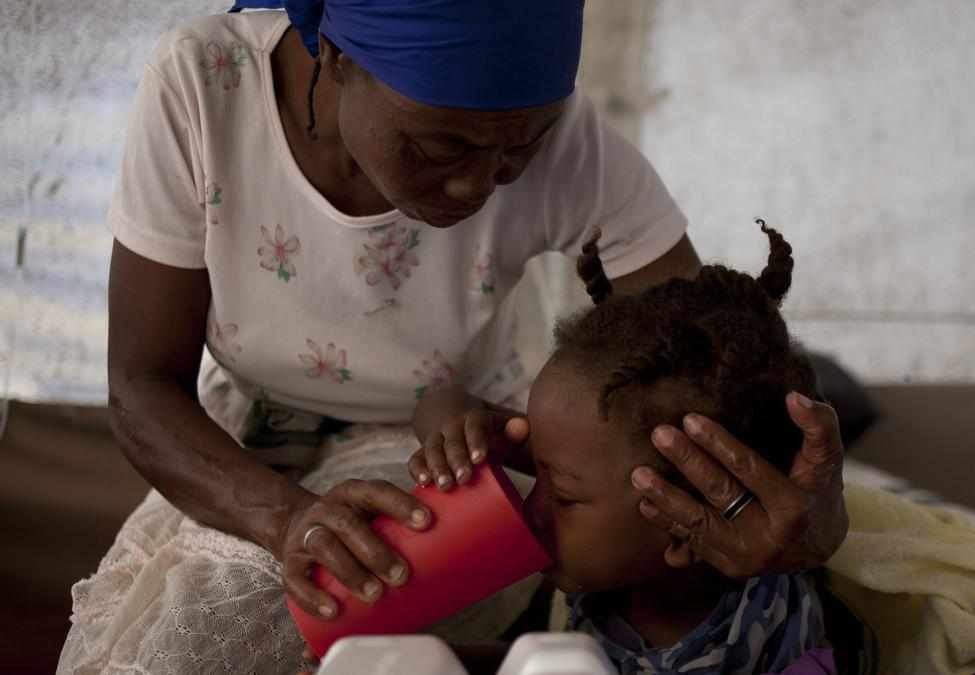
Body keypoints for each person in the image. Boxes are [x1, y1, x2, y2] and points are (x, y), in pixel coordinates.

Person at [60, 1, 847, 672]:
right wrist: (284, 515)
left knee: (223, 637)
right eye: (443, 147)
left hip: (453, 449)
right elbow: (140, 382)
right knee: (130, 626)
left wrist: (808, 504)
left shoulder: (565, 138)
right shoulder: (203, 88)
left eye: (518, 152)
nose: (478, 185)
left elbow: (719, 350)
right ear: (332, 56)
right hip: (238, 433)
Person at [411, 222, 826, 673]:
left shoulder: (712, 657)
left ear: (682, 530)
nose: (531, 512)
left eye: (565, 498)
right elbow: (441, 404)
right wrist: (454, 426)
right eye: (538, 473)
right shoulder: (639, 564)